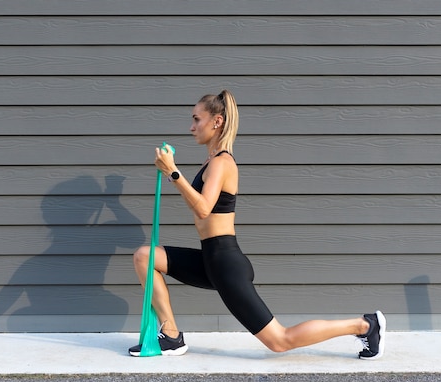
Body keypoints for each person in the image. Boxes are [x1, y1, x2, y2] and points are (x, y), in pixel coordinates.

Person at [128, 90, 386, 359]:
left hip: (225, 264)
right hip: (210, 259)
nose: (191, 127)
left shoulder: (222, 162)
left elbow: (204, 208)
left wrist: (174, 172)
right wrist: (173, 176)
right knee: (144, 257)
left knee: (279, 341)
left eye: (196, 119)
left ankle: (366, 325)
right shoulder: (210, 161)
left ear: (216, 122)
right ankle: (170, 335)